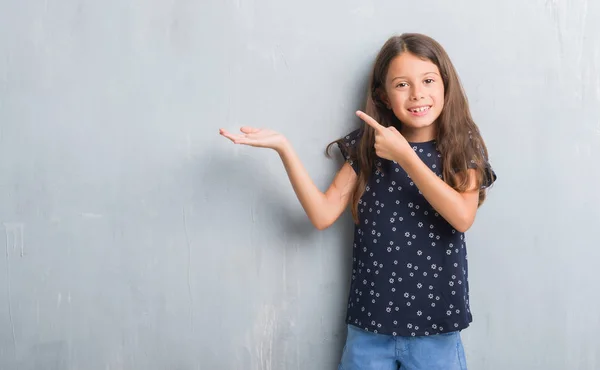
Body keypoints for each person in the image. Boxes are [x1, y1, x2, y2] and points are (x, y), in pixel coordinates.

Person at [219, 33, 496, 370]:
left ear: (445, 85)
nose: (417, 93)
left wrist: (406, 157)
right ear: (383, 94)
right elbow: (322, 215)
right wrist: (283, 148)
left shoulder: (462, 147)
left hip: (436, 331)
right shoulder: (367, 147)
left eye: (427, 80)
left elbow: (462, 217)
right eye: (401, 84)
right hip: (369, 329)